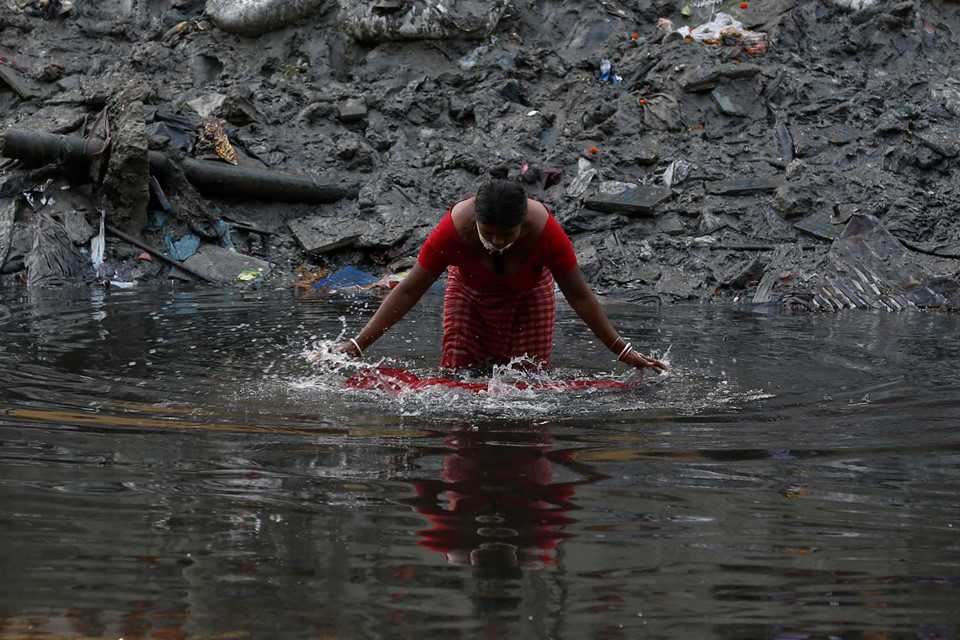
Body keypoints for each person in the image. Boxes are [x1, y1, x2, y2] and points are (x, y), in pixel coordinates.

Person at [334, 178, 666, 372]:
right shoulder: (452, 231)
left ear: (522, 224)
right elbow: (409, 290)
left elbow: (580, 296)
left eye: (506, 235)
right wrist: (358, 345)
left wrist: (623, 352)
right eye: (488, 233)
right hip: (467, 294)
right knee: (459, 377)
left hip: (530, 298)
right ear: (475, 221)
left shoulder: (547, 234)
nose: (495, 242)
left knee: (527, 386)